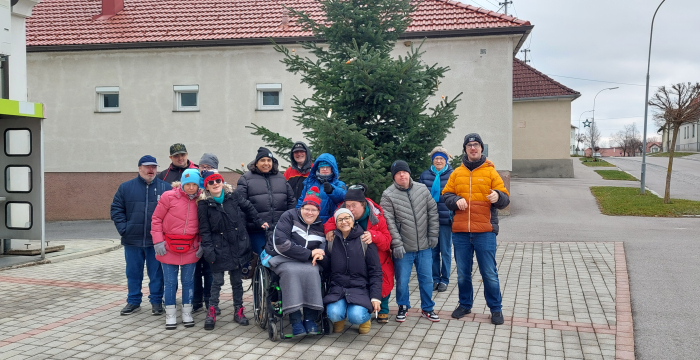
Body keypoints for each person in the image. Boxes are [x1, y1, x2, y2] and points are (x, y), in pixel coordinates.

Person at [442, 133, 510, 325]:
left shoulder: (491, 172)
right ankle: (465, 304)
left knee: (489, 272)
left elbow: (505, 199)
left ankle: (496, 309)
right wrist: (455, 200)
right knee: (463, 272)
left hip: (485, 232)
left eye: (476, 145)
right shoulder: (457, 173)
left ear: (481, 149)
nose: (473, 148)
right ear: (465, 149)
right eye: (469, 145)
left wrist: (498, 196)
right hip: (461, 232)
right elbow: (446, 195)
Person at [198, 170, 268, 330]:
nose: (215, 184)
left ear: (222, 182)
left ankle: (239, 311)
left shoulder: (233, 196)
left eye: (217, 180)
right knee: (217, 282)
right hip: (217, 248)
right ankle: (212, 311)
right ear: (207, 187)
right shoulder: (203, 204)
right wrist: (208, 250)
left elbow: (249, 207)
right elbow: (204, 230)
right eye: (211, 182)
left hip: (237, 246)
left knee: (237, 282)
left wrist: (259, 221)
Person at [323, 184, 394, 324]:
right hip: (350, 263)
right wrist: (330, 230)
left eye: (353, 205)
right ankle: (345, 311)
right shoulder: (342, 213)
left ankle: (379, 309)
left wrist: (373, 236)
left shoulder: (376, 218)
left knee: (380, 278)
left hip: (375, 256)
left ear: (363, 204)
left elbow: (387, 242)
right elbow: (330, 222)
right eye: (347, 205)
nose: (350, 209)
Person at [110, 155, 172, 316]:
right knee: (133, 273)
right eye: (147, 167)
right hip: (133, 240)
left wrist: (165, 234)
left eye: (153, 167)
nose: (150, 170)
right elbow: (116, 209)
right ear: (139, 168)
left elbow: (172, 213)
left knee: (157, 274)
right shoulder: (126, 188)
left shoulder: (166, 188)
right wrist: (125, 229)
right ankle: (133, 301)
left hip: (156, 242)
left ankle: (157, 302)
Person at [380, 160, 440, 323]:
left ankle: (428, 308)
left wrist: (433, 235)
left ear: (409, 173)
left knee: (427, 279)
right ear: (394, 177)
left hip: (424, 246)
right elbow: (388, 221)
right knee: (402, 280)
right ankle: (403, 306)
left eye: (404, 172)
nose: (402, 175)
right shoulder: (388, 195)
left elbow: (432, 212)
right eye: (398, 173)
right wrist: (396, 244)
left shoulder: (422, 189)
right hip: (404, 249)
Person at [265, 186, 326, 336]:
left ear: (318, 211)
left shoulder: (319, 225)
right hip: (283, 258)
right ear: (301, 207)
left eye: (314, 210)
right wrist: (309, 253)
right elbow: (281, 243)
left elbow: (322, 244)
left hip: (308, 262)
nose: (310, 212)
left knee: (313, 272)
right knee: (291, 272)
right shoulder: (289, 216)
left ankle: (310, 319)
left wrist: (320, 253)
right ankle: (296, 320)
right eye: (307, 208)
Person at [150, 169, 203, 329]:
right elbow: (156, 219)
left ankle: (187, 312)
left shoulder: (202, 200)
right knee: (170, 282)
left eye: (194, 184)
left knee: (188, 282)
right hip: (168, 247)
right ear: (182, 184)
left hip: (190, 247)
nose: (191, 188)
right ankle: (170, 314)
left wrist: (201, 243)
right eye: (188, 184)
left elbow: (204, 225)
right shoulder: (168, 197)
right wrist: (158, 241)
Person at [321, 208, 382, 335]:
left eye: (347, 218)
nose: (344, 222)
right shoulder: (332, 241)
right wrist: (321, 257)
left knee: (356, 316)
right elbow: (327, 269)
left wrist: (376, 297)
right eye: (340, 219)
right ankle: (339, 318)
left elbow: (375, 271)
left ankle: (365, 320)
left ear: (353, 220)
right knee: (333, 313)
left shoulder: (365, 239)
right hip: (338, 288)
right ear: (336, 223)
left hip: (359, 288)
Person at [237, 147, 295, 256]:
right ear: (256, 163)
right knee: (260, 261)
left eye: (269, 160)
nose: (266, 163)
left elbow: (291, 201)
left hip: (279, 230)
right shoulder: (246, 179)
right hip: (256, 231)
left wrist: (288, 223)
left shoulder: (281, 178)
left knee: (278, 261)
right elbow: (240, 206)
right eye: (262, 160)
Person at [418, 147, 454, 293]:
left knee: (445, 250)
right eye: (436, 158)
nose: (438, 161)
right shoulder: (425, 175)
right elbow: (420, 196)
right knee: (432, 250)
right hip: (430, 219)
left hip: (446, 219)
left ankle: (444, 279)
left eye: (441, 158)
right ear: (432, 159)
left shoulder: (452, 175)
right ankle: (434, 278)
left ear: (446, 160)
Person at [191, 153, 218, 313]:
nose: (205, 169)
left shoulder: (217, 184)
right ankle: (196, 301)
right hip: (193, 236)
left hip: (212, 237)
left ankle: (210, 301)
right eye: (203, 166)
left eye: (209, 167)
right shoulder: (192, 184)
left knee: (210, 272)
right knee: (194, 271)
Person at [296, 153, 346, 222]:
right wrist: (297, 217)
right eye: (322, 167)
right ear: (318, 168)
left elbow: (343, 196)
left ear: (332, 169)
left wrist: (332, 190)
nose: (325, 169)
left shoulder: (338, 184)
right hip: (310, 222)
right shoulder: (309, 183)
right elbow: (301, 201)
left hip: (330, 223)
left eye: (327, 167)